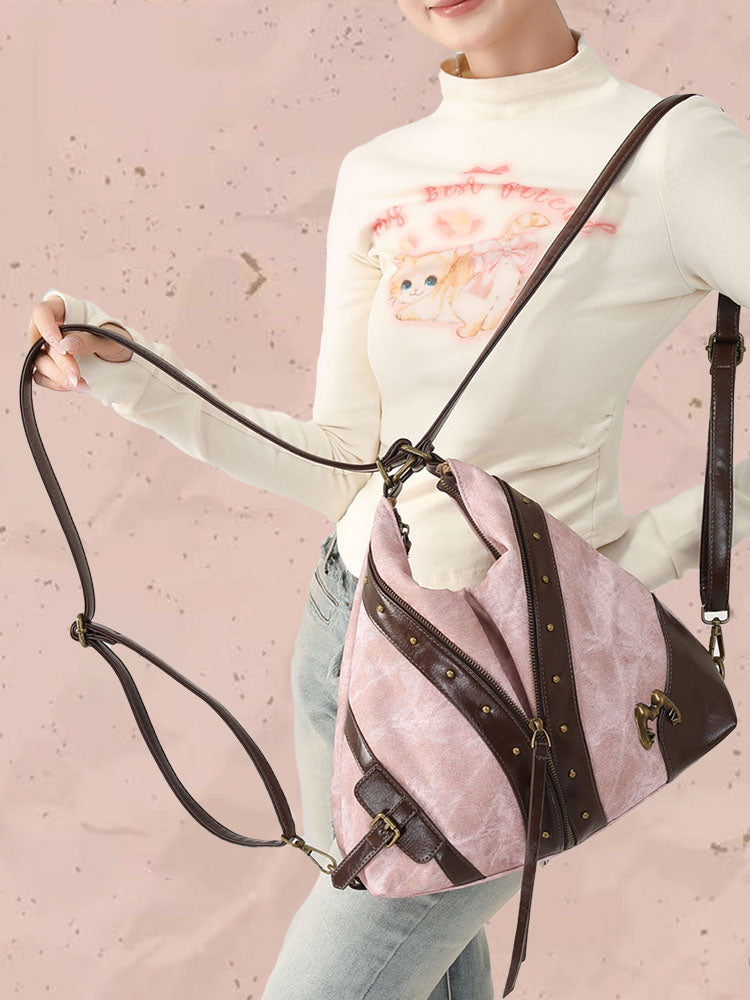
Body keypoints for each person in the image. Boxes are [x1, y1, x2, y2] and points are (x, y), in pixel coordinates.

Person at [27, 1, 750, 996]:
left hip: (497, 686)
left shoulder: (670, 152)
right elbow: (343, 462)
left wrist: (647, 557)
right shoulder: (381, 171)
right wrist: (128, 369)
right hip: (344, 639)